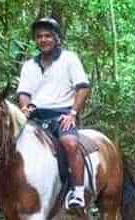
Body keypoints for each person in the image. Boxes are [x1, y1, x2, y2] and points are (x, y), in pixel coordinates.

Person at [17, 17, 91, 210]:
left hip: (62, 114)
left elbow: (82, 87)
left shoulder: (69, 58)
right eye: (39, 36)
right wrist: (24, 108)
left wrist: (73, 113)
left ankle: (77, 192)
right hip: (34, 115)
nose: (43, 39)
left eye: (48, 35)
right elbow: (24, 93)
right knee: (5, 143)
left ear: (56, 38)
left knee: (70, 143)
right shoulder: (29, 65)